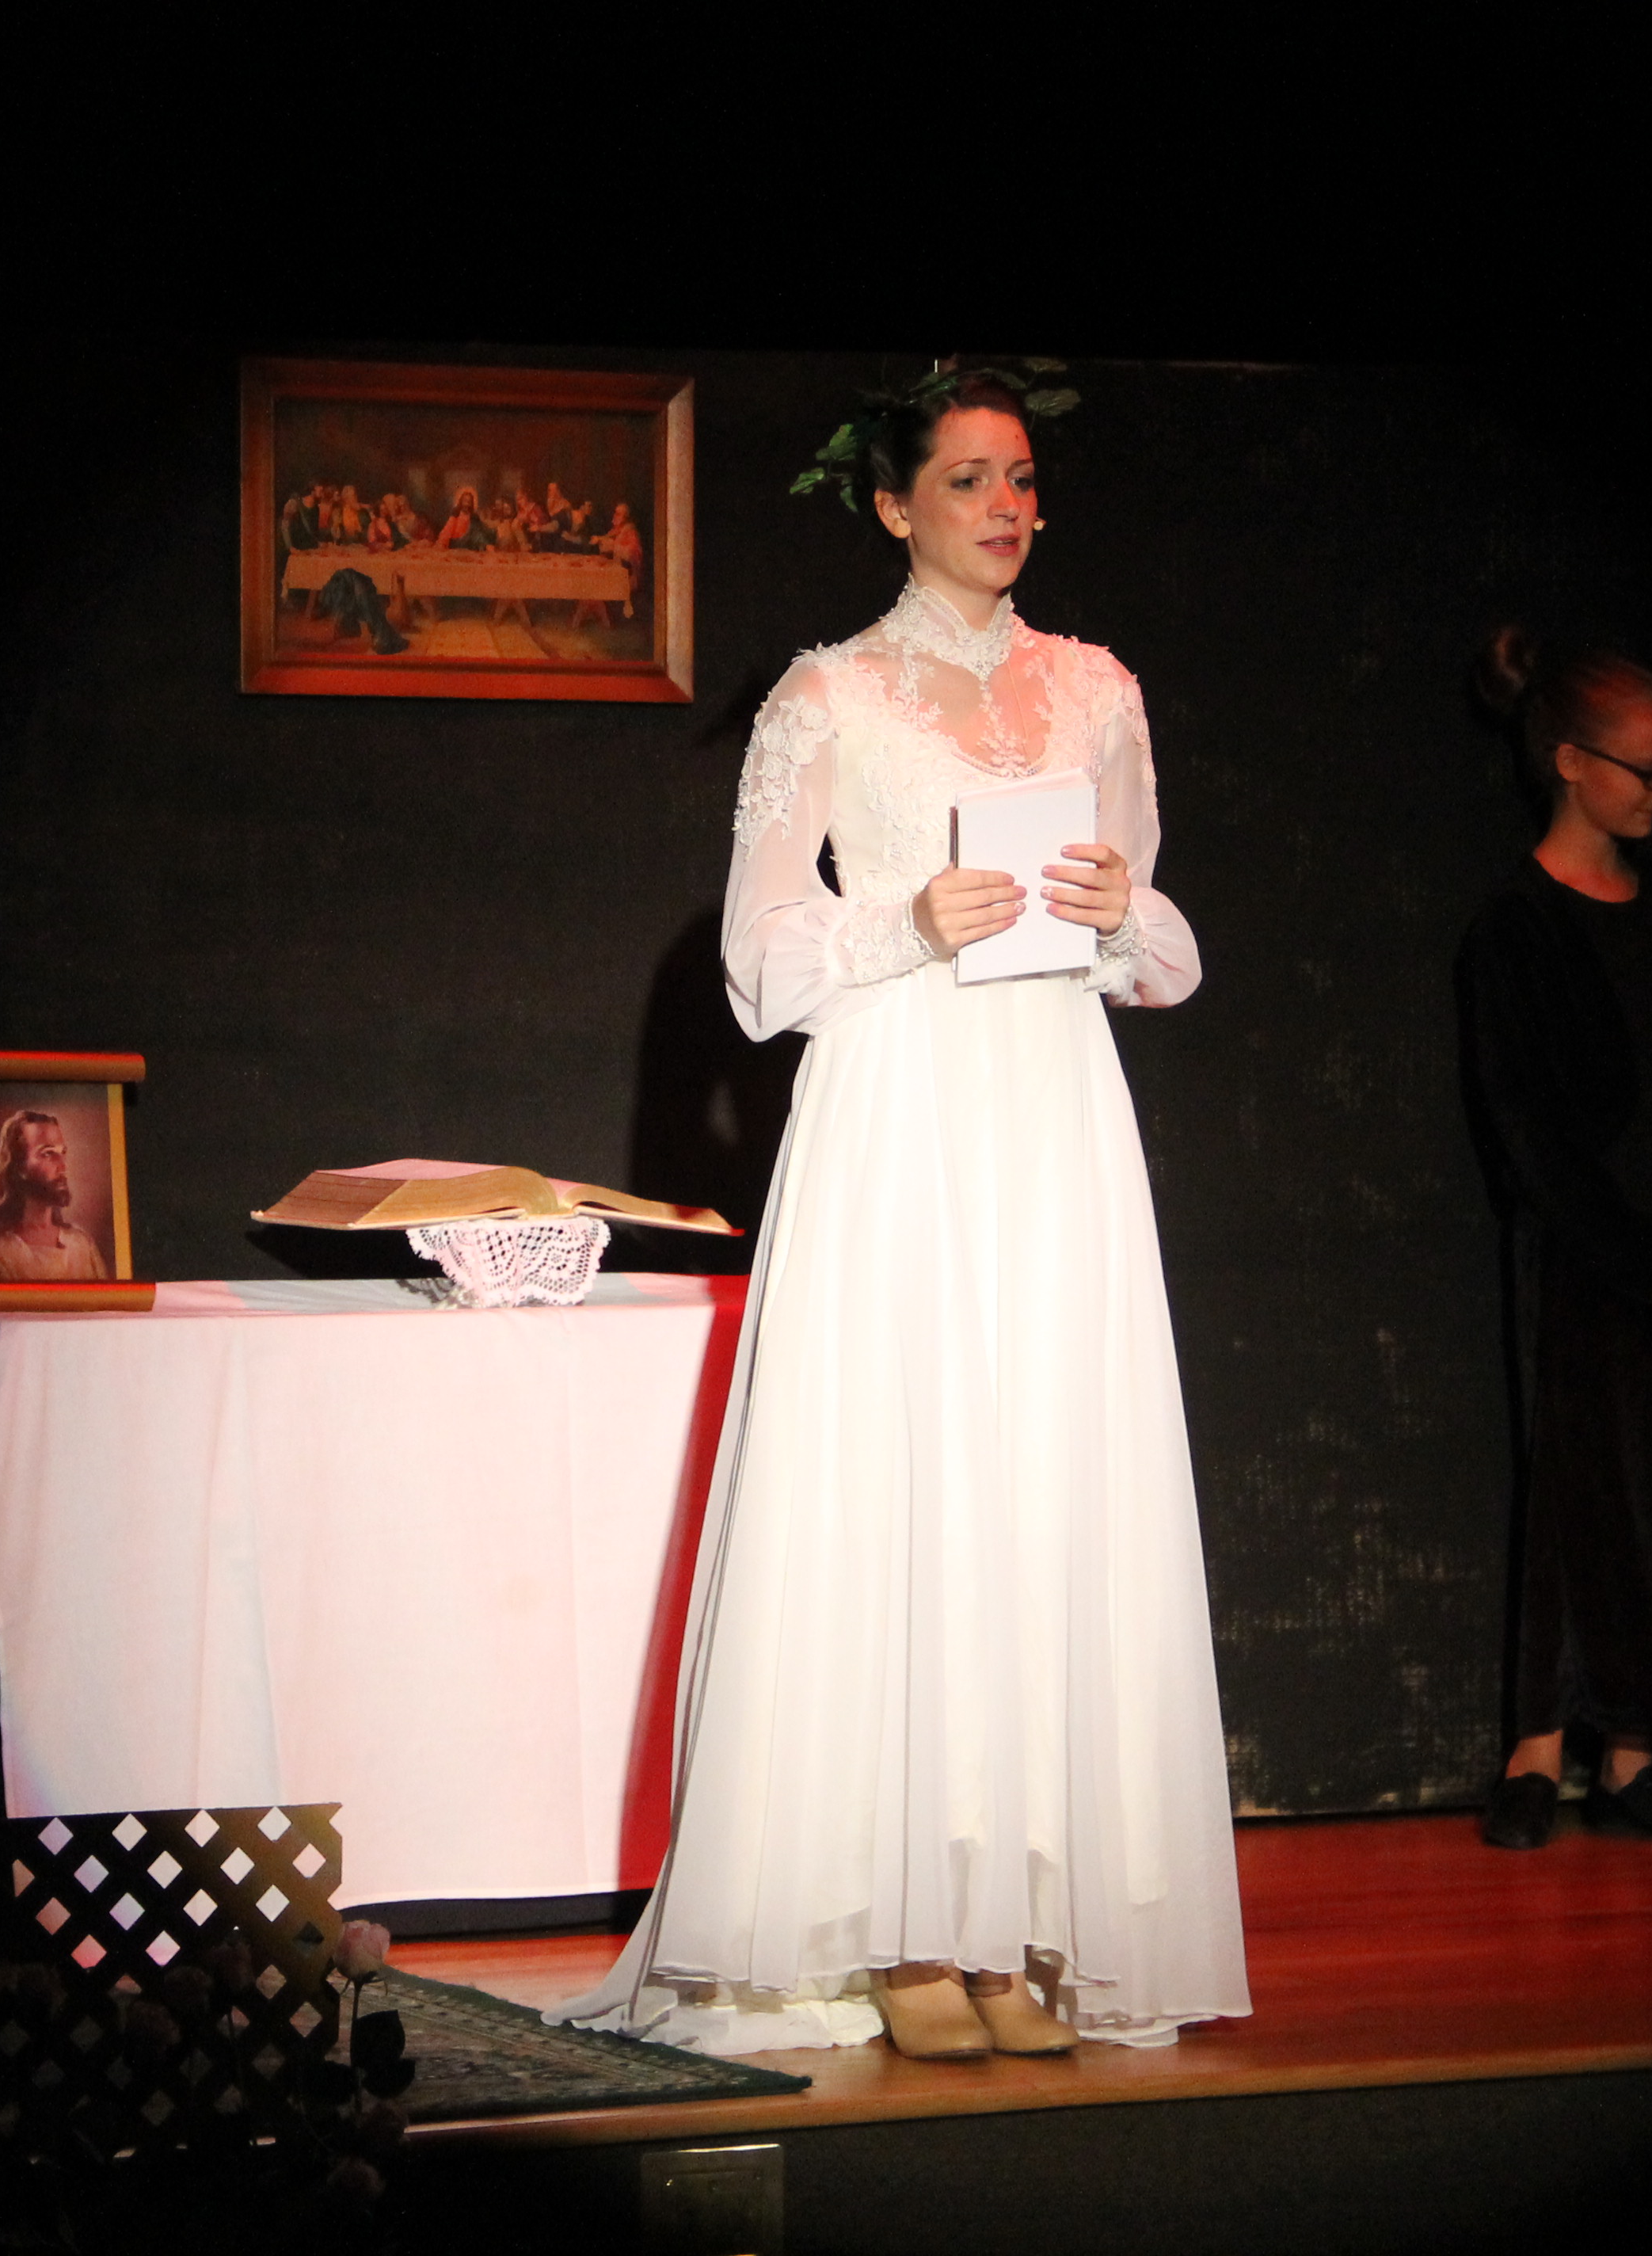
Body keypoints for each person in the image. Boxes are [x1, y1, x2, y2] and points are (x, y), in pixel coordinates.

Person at [552, 366, 1250, 2061]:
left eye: (1021, 478)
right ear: (893, 503)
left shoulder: (1095, 687)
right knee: (902, 1479)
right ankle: (896, 1925)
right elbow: (757, 963)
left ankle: (1010, 1920)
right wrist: (907, 922)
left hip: (1051, 1109)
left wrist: (1113, 907)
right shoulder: (830, 695)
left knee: (1035, 1483)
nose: (1005, 506)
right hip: (899, 1108)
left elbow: (1162, 951)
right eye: (967, 479)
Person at [1455, 633, 1652, 1850]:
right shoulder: (1515, 929)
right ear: (1573, 763)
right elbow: (1524, 1128)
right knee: (1581, 1499)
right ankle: (1537, 1749)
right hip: (1592, 1257)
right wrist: (1641, 1259)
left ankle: (1637, 1757)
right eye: (1647, 770)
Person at [0, 1109, 110, 1282]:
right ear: (19, 1166)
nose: (63, 1166)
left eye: (62, 1153)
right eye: (48, 1153)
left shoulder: (82, 1246)